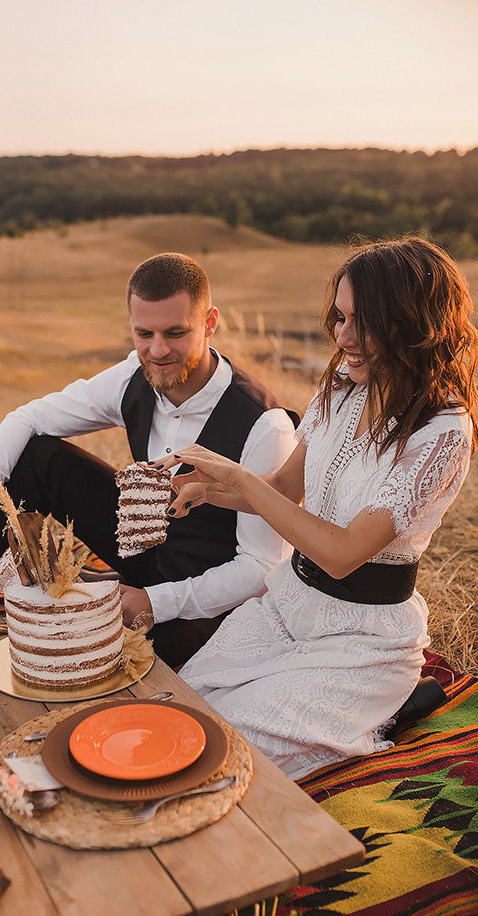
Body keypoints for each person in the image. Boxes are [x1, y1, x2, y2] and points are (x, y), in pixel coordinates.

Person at [156, 237, 477, 779]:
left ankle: (385, 707)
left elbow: (344, 552)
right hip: (288, 604)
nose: (341, 336)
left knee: (228, 759)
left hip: (362, 639)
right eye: (339, 316)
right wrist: (211, 488)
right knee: (185, 714)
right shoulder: (341, 385)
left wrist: (235, 473)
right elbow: (283, 487)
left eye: (361, 322)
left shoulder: (443, 432)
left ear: (412, 324)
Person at [0, 252, 298, 666]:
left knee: (112, 661)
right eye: (143, 333)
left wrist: (155, 602)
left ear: (209, 323)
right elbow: (27, 417)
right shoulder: (136, 373)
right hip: (137, 546)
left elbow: (261, 568)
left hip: (205, 593)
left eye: (175, 332)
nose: (157, 349)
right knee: (34, 456)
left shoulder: (265, 425)